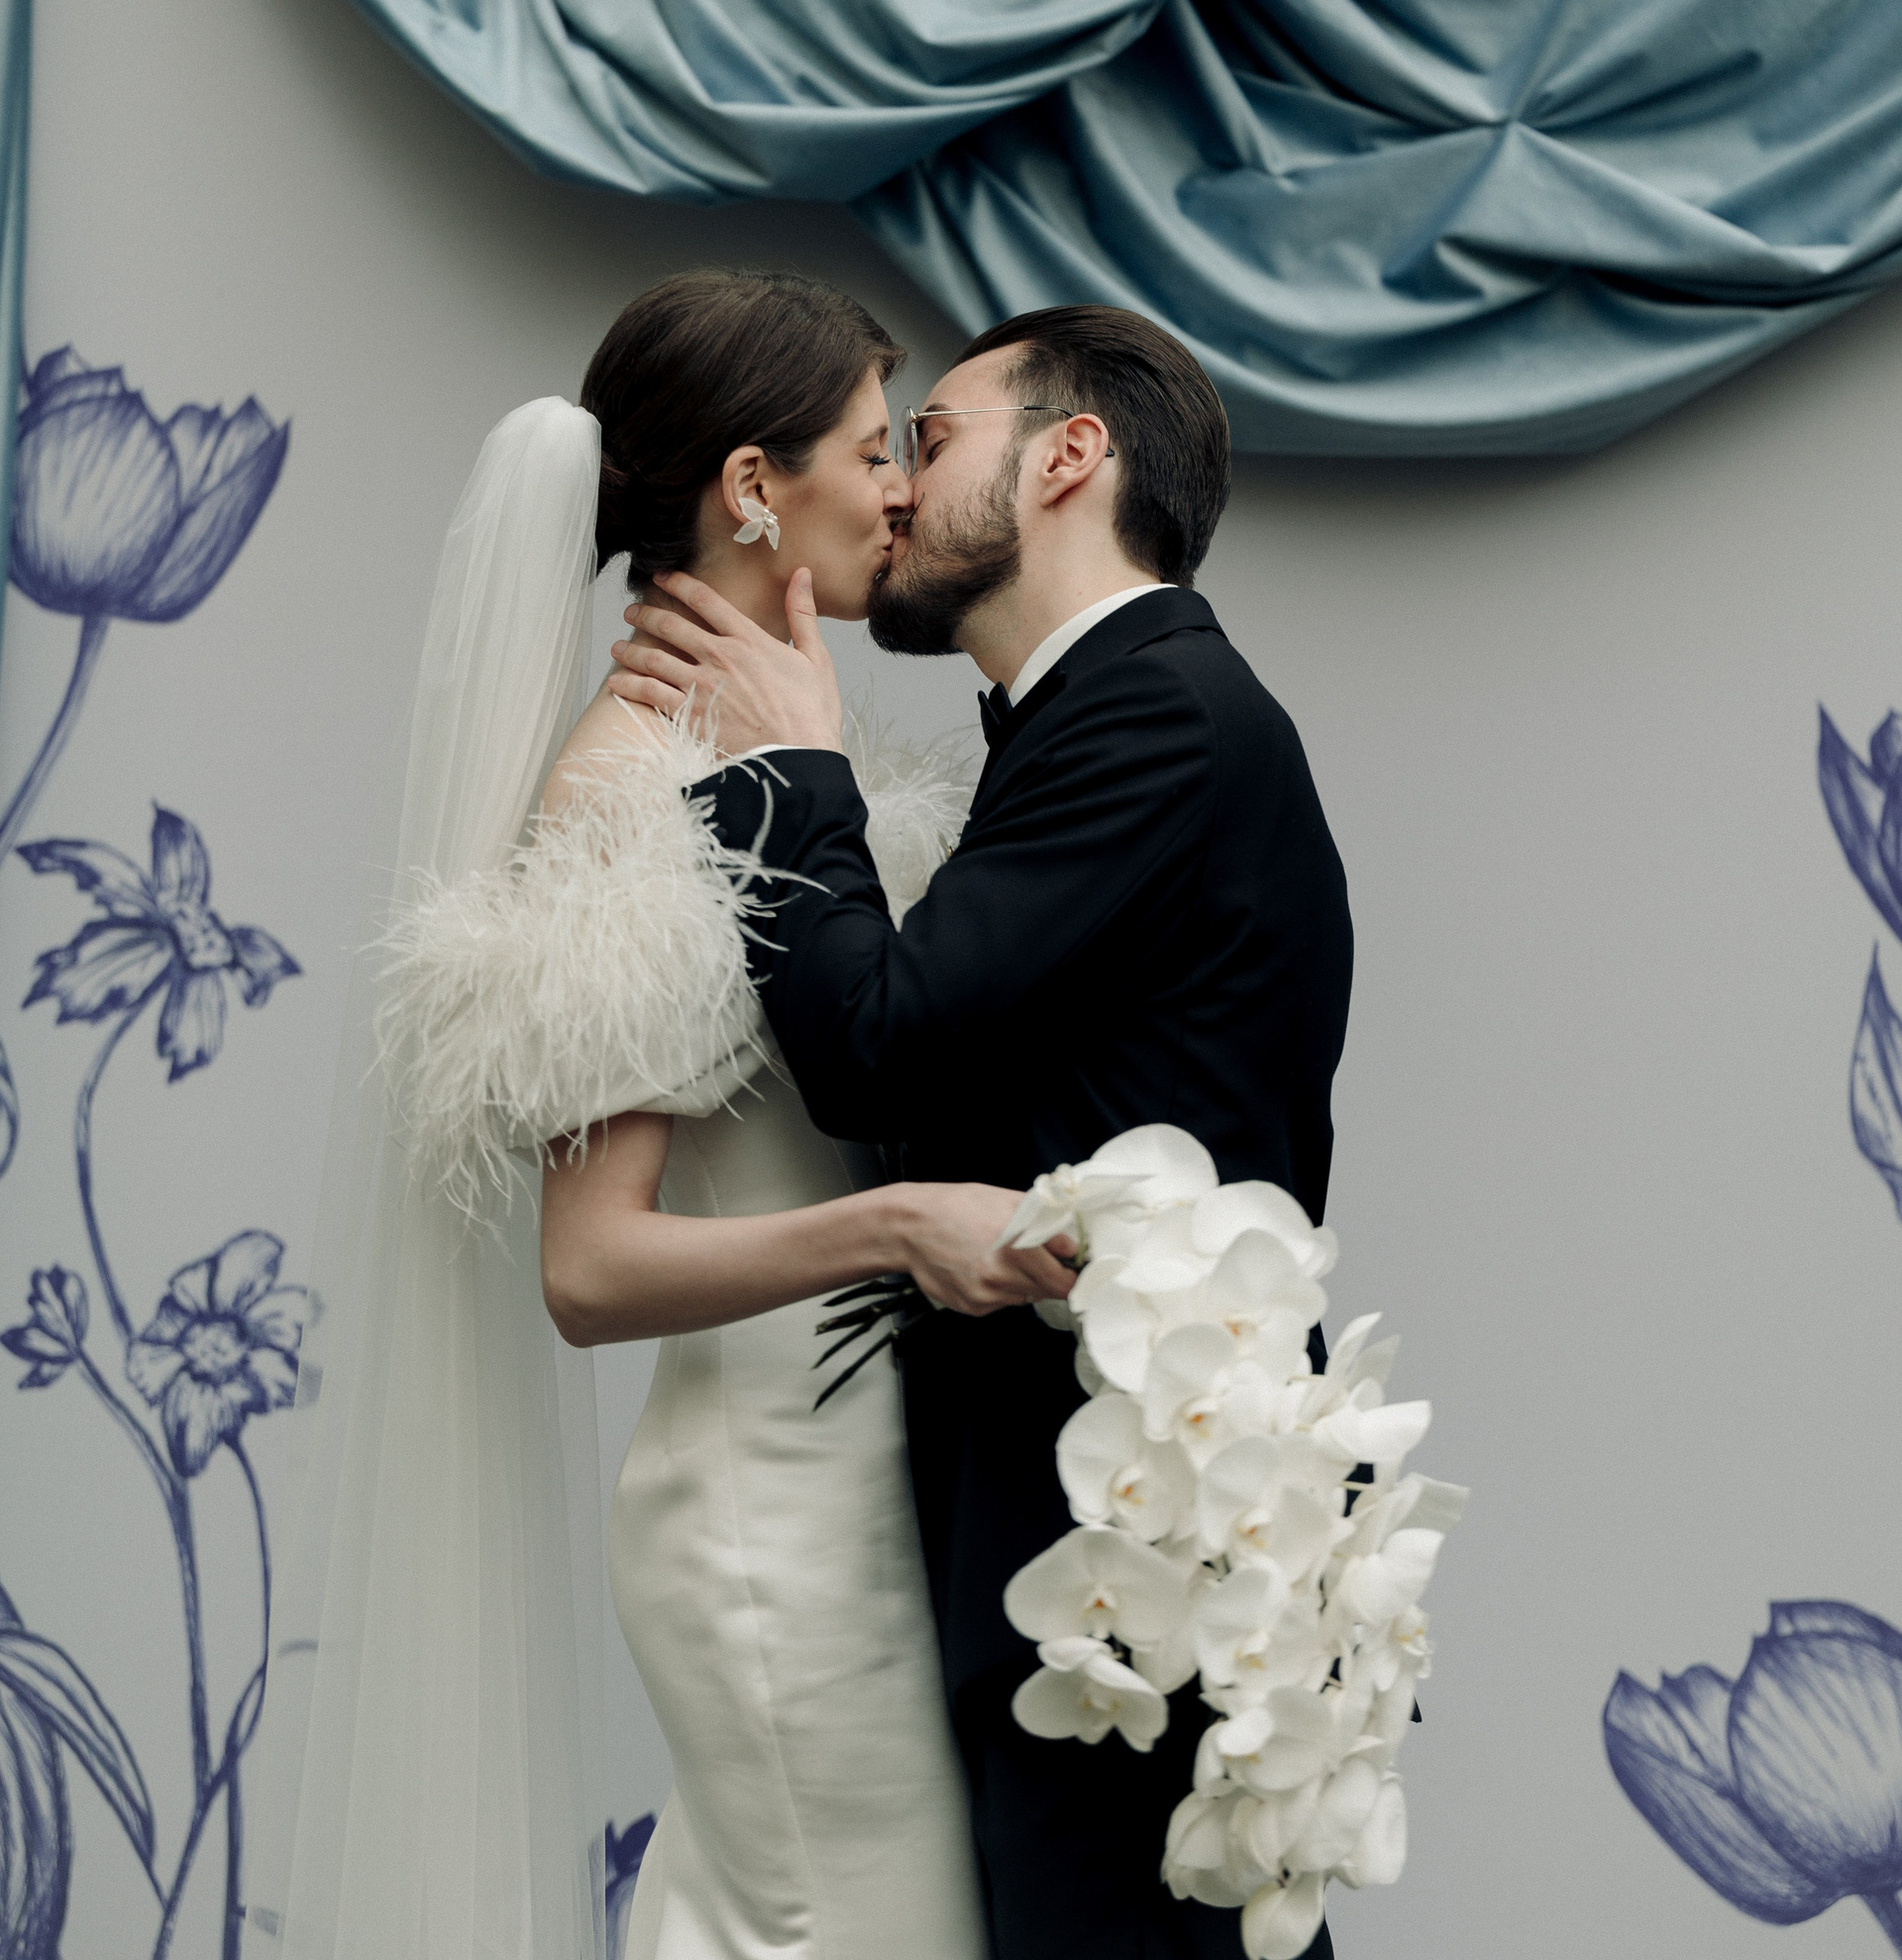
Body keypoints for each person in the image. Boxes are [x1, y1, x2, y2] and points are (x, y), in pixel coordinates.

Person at [246, 270, 1074, 1960]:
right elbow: (589, 1270)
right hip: (773, 1515)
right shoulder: (628, 789)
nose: (902, 489)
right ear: (756, 488)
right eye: (872, 449)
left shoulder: (793, 754)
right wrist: (894, 1227)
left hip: (877, 1491)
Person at [608, 304, 1354, 1960]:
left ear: (1070, 457)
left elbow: (878, 1050)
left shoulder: (1157, 716)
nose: (896, 486)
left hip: (1126, 1559)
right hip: (1059, 1535)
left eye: (929, 440)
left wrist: (788, 767)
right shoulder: (1100, 719)